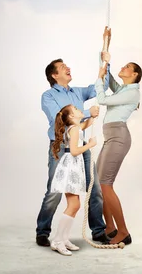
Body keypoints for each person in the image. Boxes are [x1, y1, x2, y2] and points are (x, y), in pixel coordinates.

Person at [35, 35, 112, 247]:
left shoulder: (79, 91)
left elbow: (101, 86)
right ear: (54, 74)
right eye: (62, 66)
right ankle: (43, 231)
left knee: (93, 189)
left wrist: (105, 61)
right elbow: (59, 117)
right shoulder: (48, 96)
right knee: (54, 191)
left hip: (80, 148)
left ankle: (98, 231)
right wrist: (88, 112)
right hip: (60, 148)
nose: (68, 67)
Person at [95, 45, 141, 246]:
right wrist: (105, 58)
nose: (123, 67)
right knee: (99, 184)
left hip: (118, 137)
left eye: (127, 66)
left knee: (105, 184)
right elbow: (110, 80)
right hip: (111, 136)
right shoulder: (124, 89)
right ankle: (110, 227)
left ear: (135, 74)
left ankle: (123, 231)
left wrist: (99, 77)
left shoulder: (132, 93)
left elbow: (102, 98)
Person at [48, 104, 97, 256]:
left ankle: (63, 238)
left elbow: (87, 123)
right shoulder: (74, 129)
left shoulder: (75, 127)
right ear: (71, 117)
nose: (79, 109)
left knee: (74, 204)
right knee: (74, 205)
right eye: (75, 109)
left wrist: (93, 115)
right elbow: (75, 151)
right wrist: (90, 145)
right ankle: (57, 240)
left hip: (72, 166)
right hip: (72, 166)